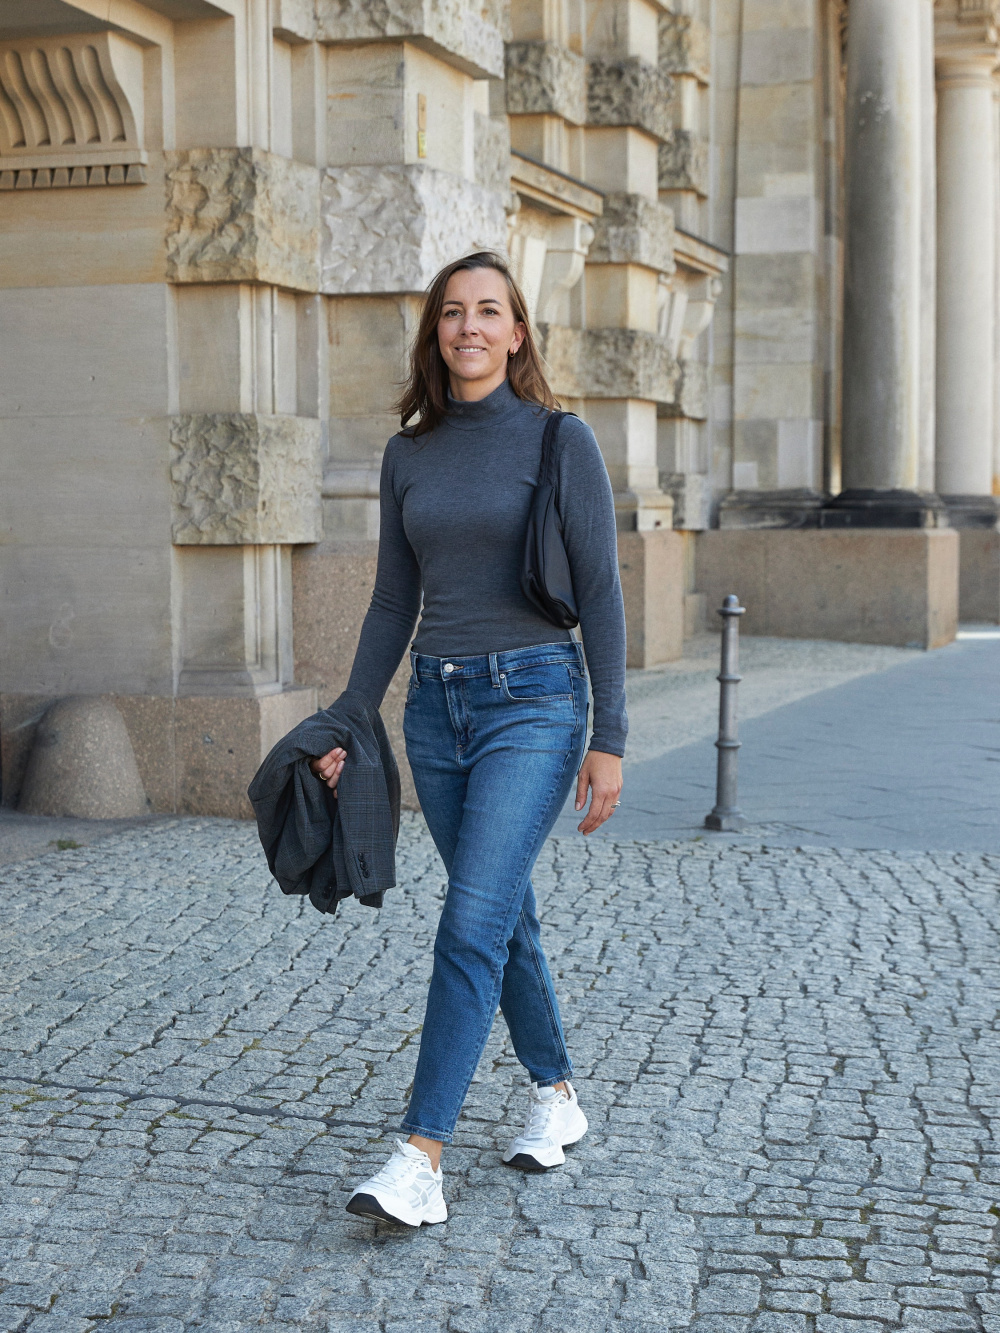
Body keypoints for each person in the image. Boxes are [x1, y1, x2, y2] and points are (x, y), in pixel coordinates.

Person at [310, 250, 627, 1228]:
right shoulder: (407, 454)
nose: (470, 327)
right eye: (453, 312)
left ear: (518, 332)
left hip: (534, 701)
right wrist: (349, 717)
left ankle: (420, 1155)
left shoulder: (558, 440)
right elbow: (391, 599)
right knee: (502, 914)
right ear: (435, 332)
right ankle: (556, 1093)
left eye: (490, 311)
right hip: (435, 713)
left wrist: (607, 734)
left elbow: (604, 591)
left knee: (471, 919)